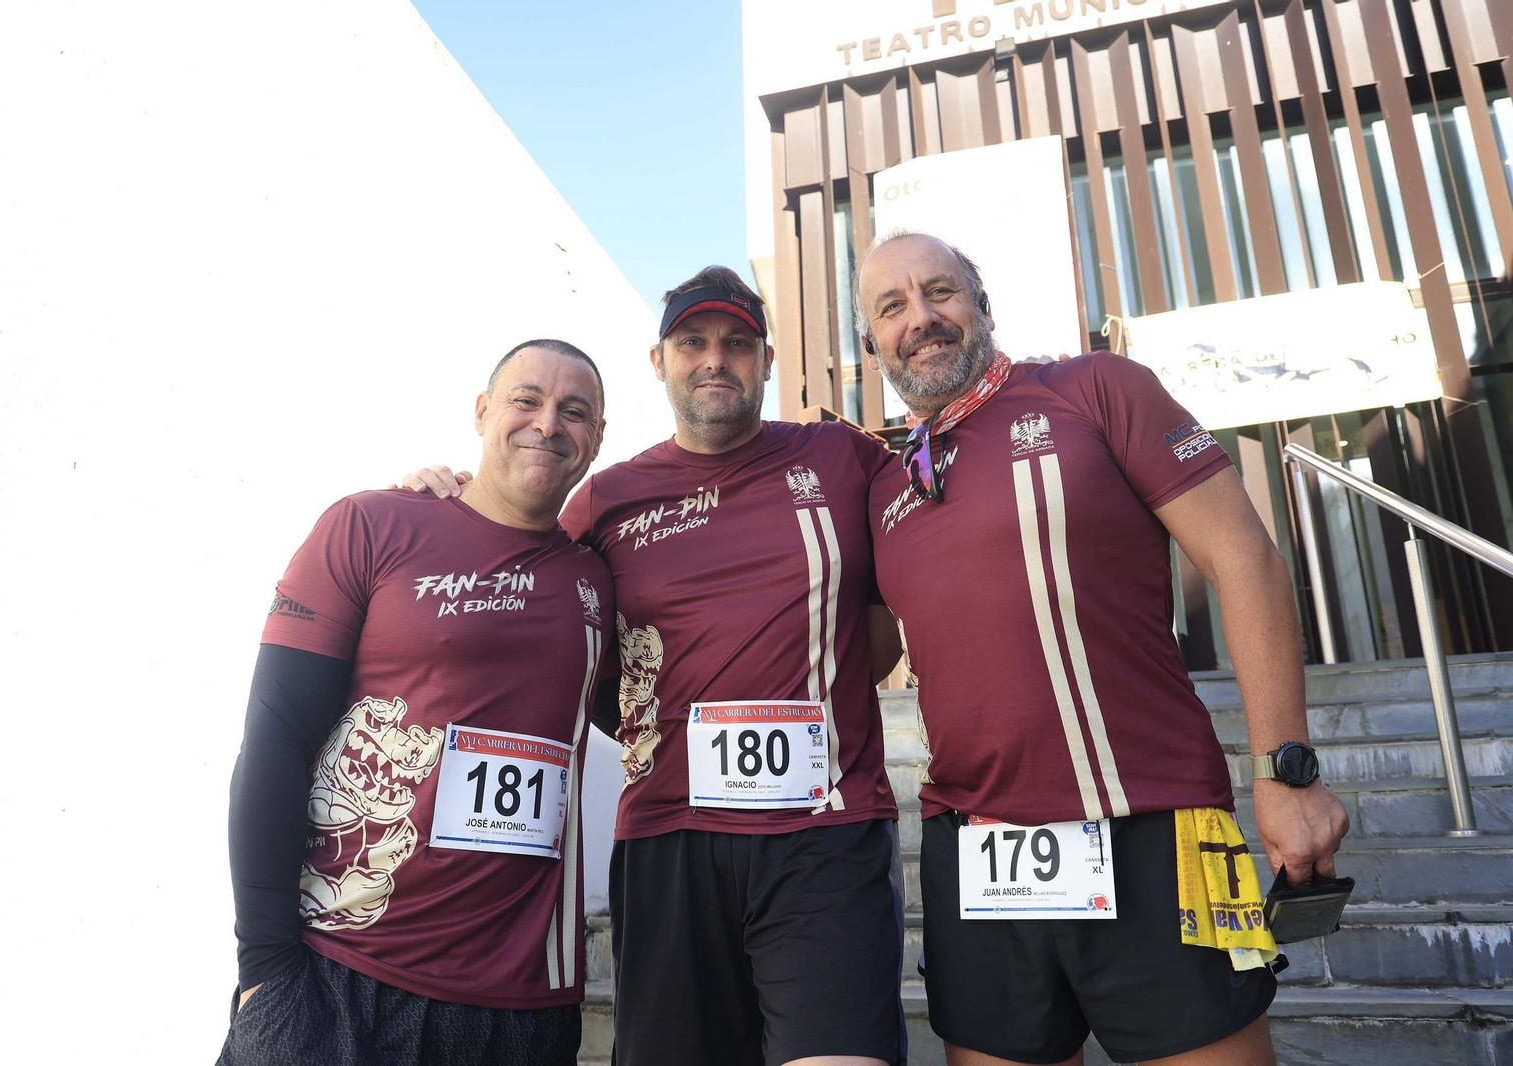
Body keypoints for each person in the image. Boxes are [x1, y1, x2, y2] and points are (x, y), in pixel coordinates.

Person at [854, 230, 1350, 1066]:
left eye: (941, 290)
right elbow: (852, 660)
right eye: (892, 306)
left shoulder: (1095, 388)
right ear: (873, 345)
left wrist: (1285, 770)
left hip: (1154, 825)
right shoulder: (882, 486)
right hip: (978, 849)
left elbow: (1247, 560)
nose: (923, 318)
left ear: (982, 304)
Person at [405, 267, 908, 1066]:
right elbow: (533, 593)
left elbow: (890, 624)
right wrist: (440, 504)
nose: (716, 360)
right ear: (659, 360)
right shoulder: (606, 499)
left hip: (823, 835)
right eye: (693, 343)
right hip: (666, 839)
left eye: (737, 345)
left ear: (767, 360)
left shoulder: (841, 457)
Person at [221, 340, 614, 1066]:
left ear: (596, 441)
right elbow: (275, 740)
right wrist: (265, 971)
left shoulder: (598, 576)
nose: (549, 423)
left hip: (521, 1011)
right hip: (340, 977)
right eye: (526, 400)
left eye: (575, 411)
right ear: (482, 412)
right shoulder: (371, 525)